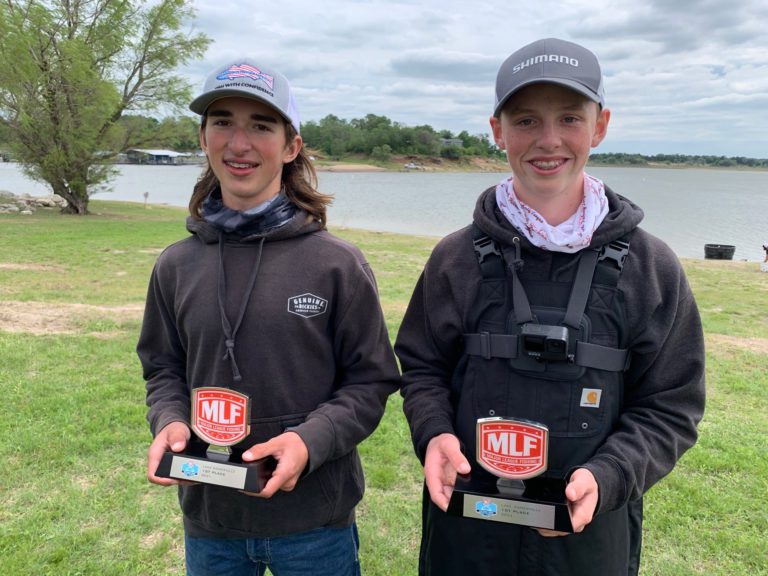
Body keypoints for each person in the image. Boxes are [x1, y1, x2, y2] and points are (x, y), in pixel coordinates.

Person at [395, 38, 705, 575]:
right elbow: (422, 368)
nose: (548, 140)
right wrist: (435, 433)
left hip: (587, 535)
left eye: (569, 118)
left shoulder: (651, 267)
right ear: (497, 130)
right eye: (526, 120)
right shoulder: (454, 258)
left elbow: (671, 405)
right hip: (467, 528)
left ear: (600, 126)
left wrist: (611, 475)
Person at [137, 58, 400, 576]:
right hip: (212, 522)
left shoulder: (336, 264)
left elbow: (371, 382)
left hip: (314, 521)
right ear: (202, 137)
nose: (239, 143)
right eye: (223, 122)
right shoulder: (175, 264)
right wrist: (168, 421)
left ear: (290, 146)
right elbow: (162, 369)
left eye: (261, 125)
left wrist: (309, 440)